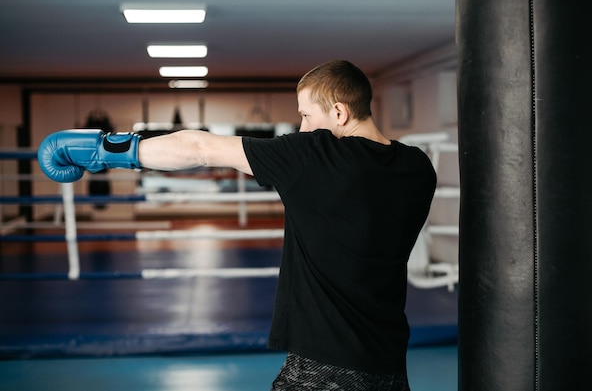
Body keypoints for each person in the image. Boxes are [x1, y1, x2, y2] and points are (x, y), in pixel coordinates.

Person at [38, 60, 437, 390]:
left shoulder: (312, 156)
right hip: (389, 363)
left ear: (338, 112)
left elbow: (199, 147)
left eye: (305, 116)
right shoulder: (417, 167)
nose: (300, 128)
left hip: (326, 364)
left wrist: (103, 150)